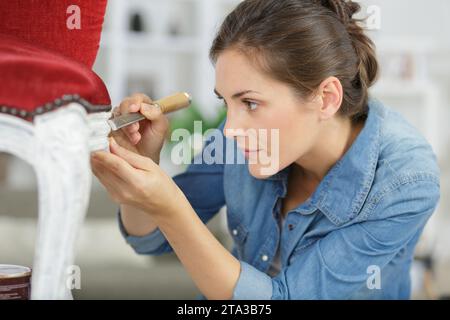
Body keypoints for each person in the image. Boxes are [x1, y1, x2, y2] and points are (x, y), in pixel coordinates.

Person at [91, 0, 440, 299]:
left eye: (251, 103)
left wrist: (170, 207)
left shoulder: (405, 180)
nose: (229, 129)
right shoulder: (240, 141)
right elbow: (148, 241)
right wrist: (141, 161)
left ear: (326, 98)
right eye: (227, 103)